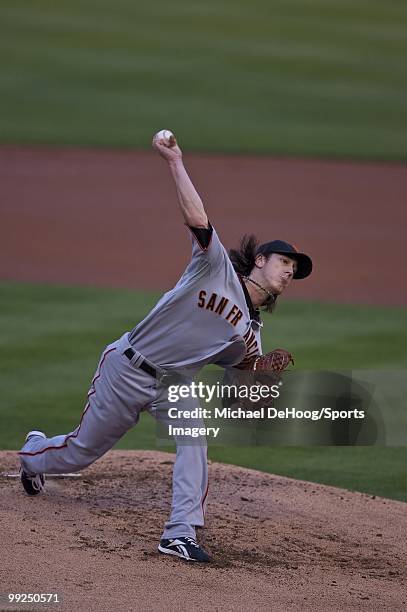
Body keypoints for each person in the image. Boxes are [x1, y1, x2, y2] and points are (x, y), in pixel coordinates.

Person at [19, 132, 313, 563]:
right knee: (80, 454)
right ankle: (32, 456)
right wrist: (175, 161)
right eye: (285, 262)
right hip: (127, 367)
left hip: (174, 386)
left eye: (295, 270)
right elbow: (197, 218)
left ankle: (179, 533)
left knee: (195, 439)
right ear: (260, 261)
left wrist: (258, 379)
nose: (289, 272)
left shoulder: (252, 332)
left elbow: (240, 387)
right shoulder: (213, 268)